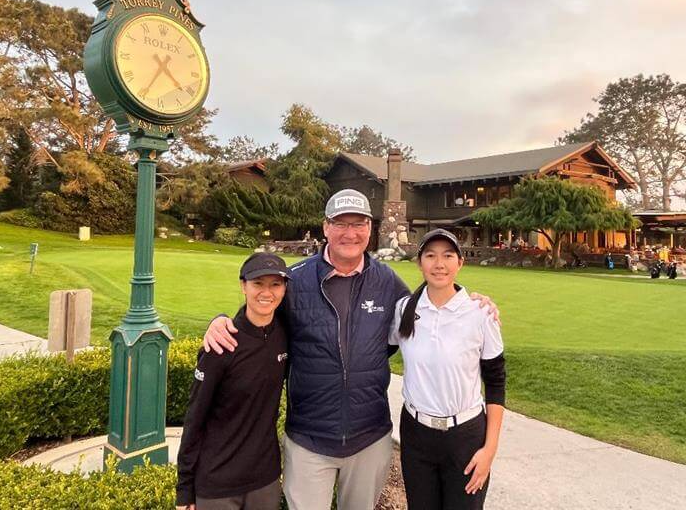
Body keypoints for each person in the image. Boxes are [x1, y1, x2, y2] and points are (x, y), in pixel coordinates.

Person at [202, 189, 499, 510]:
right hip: (308, 440)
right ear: (325, 227)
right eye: (340, 223)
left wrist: (472, 301)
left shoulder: (387, 282)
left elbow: (432, 303)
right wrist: (222, 320)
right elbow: (258, 316)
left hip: (368, 439)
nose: (350, 233)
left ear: (369, 230)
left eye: (358, 224)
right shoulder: (295, 280)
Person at [391, 229, 505, 510]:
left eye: (447, 256)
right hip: (416, 434)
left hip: (465, 436)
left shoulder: (480, 313)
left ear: (460, 262)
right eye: (430, 256)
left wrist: (489, 450)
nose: (438, 264)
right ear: (420, 263)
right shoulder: (404, 309)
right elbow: (378, 347)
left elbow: (496, 383)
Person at [177, 253, 291, 510]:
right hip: (218, 483)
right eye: (258, 283)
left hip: (265, 478)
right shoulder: (220, 344)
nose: (267, 292)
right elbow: (195, 417)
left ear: (284, 289)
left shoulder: (285, 334)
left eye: (275, 284)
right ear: (243, 286)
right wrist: (185, 489)